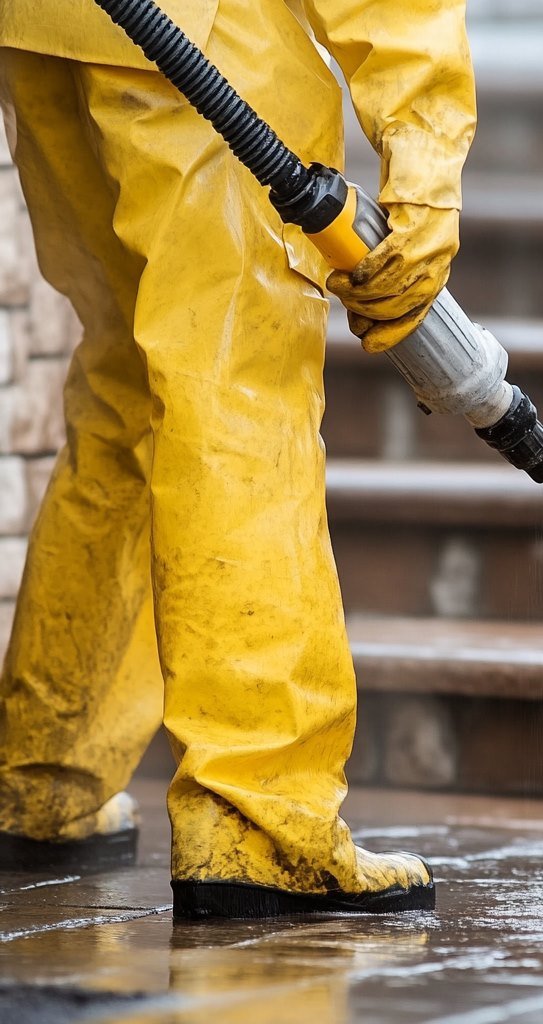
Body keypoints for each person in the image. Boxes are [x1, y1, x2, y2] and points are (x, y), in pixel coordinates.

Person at [0, 0, 475, 918]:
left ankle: (47, 771)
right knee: (238, 384)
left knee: (131, 382)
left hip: (48, 28)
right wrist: (424, 152)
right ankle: (260, 818)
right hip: (198, 30)